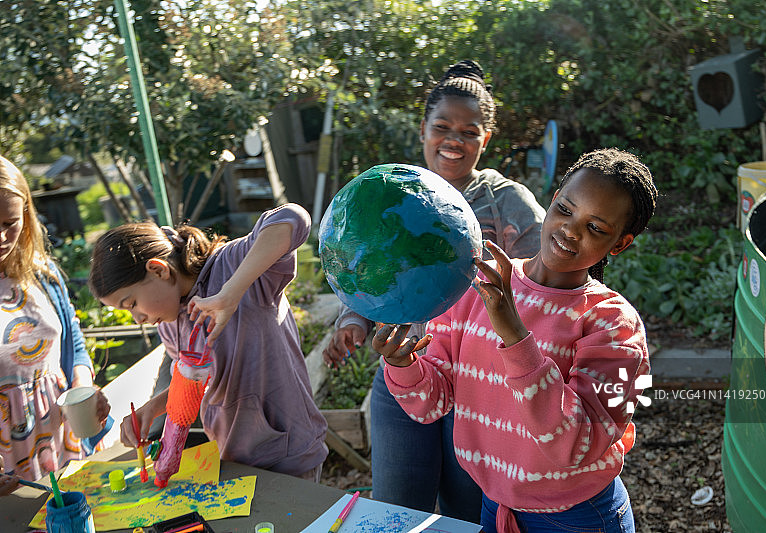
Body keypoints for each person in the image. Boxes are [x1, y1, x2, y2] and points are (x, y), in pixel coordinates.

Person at [375, 148, 657, 532]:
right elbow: (432, 404)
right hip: (496, 506)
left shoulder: (613, 325)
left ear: (619, 244)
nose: (570, 230)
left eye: (596, 228)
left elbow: (575, 445)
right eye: (565, 209)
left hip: (578, 518)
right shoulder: (478, 287)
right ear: (552, 200)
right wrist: (403, 365)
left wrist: (514, 334)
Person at [322, 59, 547, 521]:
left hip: (479, 388)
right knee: (396, 512)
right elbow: (366, 270)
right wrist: (351, 320)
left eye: (469, 131)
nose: (454, 140)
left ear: (486, 139)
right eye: (442, 126)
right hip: (403, 374)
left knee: (466, 515)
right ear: (423, 129)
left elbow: (539, 288)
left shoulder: (508, 203)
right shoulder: (389, 194)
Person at [88, 204, 328, 480]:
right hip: (232, 457)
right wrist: (154, 407)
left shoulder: (232, 265)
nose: (137, 318)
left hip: (289, 455)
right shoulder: (168, 321)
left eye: (131, 304)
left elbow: (293, 218)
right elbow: (199, 380)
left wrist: (231, 292)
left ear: (158, 270)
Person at [0, 155, 109, 494]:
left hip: (64, 436)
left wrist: (84, 384)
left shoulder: (42, 274)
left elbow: (74, 343)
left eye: (10, 223)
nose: (1, 236)